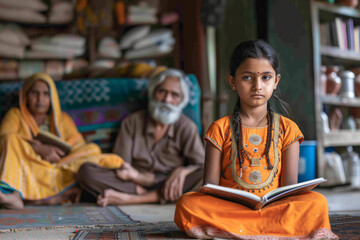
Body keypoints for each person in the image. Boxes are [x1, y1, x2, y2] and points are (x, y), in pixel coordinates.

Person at [174, 40, 338, 239]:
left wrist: (269, 202)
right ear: (232, 81)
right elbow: (209, 186)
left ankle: (238, 231)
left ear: (275, 81)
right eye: (247, 78)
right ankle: (269, 230)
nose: (257, 86)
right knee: (188, 203)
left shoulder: (288, 128)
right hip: (230, 209)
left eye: (266, 77)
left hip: (274, 209)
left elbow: (289, 188)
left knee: (316, 202)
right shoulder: (219, 128)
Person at [77, 69, 205, 206]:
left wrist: (183, 171)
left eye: (175, 95)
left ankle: (133, 199)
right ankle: (147, 195)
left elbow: (202, 165)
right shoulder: (132, 122)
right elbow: (120, 164)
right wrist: (137, 177)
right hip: (132, 182)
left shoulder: (187, 127)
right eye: (162, 91)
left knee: (207, 177)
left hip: (169, 182)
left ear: (181, 101)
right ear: (153, 93)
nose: (167, 100)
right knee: (86, 172)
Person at [0, 73, 123, 209]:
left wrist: (60, 156)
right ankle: (14, 194)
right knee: (9, 139)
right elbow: (4, 137)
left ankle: (41, 199)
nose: (40, 99)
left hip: (59, 167)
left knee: (93, 149)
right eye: (35, 93)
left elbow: (78, 146)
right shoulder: (15, 115)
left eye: (46, 94)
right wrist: (39, 148)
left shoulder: (62, 119)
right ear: (25, 96)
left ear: (52, 98)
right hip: (29, 167)